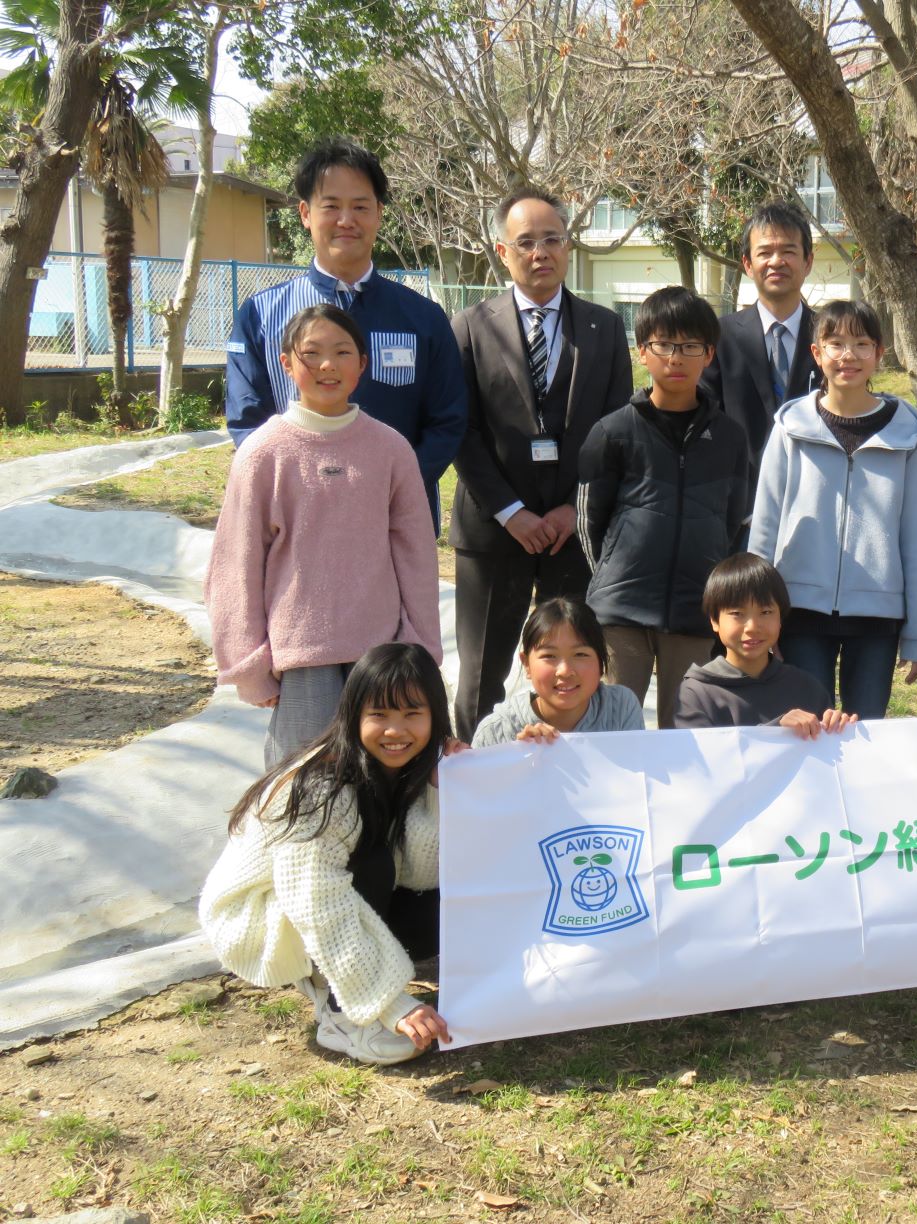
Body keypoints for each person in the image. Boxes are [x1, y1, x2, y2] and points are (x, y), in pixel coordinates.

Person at [200, 643, 465, 1065]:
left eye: (412, 714)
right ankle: (342, 1009)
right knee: (373, 863)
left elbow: (420, 873)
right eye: (379, 715)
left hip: (334, 897)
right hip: (264, 917)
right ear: (353, 715)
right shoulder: (322, 787)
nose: (396, 730)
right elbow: (314, 900)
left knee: (441, 907)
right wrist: (391, 1004)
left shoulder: (409, 768)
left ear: (435, 717)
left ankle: (345, 981)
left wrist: (437, 788)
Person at [205, 305, 442, 769]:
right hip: (299, 655)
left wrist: (420, 644)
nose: (328, 365)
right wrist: (248, 664)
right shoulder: (262, 454)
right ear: (287, 362)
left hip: (380, 651)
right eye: (311, 353)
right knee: (303, 785)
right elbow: (235, 564)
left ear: (362, 365)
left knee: (382, 783)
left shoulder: (391, 448)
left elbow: (416, 554)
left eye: (342, 352)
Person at [449, 189, 635, 739]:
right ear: (503, 252)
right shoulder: (468, 328)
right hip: (492, 530)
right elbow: (463, 431)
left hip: (571, 533)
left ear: (568, 246)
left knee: (570, 671)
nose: (540, 253)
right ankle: (479, 788)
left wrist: (566, 510)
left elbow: (613, 430)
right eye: (525, 242)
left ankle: (570, 792)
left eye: (551, 239)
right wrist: (512, 511)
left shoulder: (603, 329)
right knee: (481, 672)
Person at [225, 139, 464, 530]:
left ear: (379, 214)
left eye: (360, 206)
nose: (346, 220)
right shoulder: (261, 315)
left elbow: (447, 420)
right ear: (305, 213)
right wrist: (295, 488)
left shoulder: (423, 317)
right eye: (331, 206)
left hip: (396, 519)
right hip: (295, 518)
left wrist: (390, 486)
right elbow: (247, 419)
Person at [748, 300, 917, 720]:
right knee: (804, 729)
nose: (848, 355)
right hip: (799, 611)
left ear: (879, 354)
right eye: (835, 343)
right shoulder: (790, 427)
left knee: (864, 733)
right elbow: (765, 527)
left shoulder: (908, 433)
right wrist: (761, 617)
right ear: (816, 353)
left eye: (861, 343)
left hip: (878, 617)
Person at [576, 287, 750, 729]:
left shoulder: (729, 437)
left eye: (690, 346)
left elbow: (735, 522)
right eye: (664, 345)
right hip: (621, 613)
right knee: (611, 729)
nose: (676, 358)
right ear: (642, 351)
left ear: (709, 354)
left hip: (695, 611)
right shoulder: (612, 432)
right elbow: (588, 521)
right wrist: (612, 575)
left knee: (684, 733)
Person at [698, 201, 821, 477]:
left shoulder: (831, 337)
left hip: (817, 492)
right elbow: (703, 416)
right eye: (764, 252)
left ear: (808, 261)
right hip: (740, 498)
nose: (776, 261)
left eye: (788, 251)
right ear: (748, 264)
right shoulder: (720, 337)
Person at [674, 553, 856, 737]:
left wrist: (838, 729)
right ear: (714, 620)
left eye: (766, 612)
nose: (752, 627)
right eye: (737, 613)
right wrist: (777, 732)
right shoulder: (696, 694)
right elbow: (706, 760)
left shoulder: (808, 689)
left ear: (781, 619)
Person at [470, 597, 645, 745]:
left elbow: (638, 776)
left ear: (601, 662)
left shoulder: (621, 709)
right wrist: (517, 761)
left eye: (580, 654)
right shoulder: (496, 732)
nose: (565, 671)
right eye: (549, 656)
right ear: (526, 664)